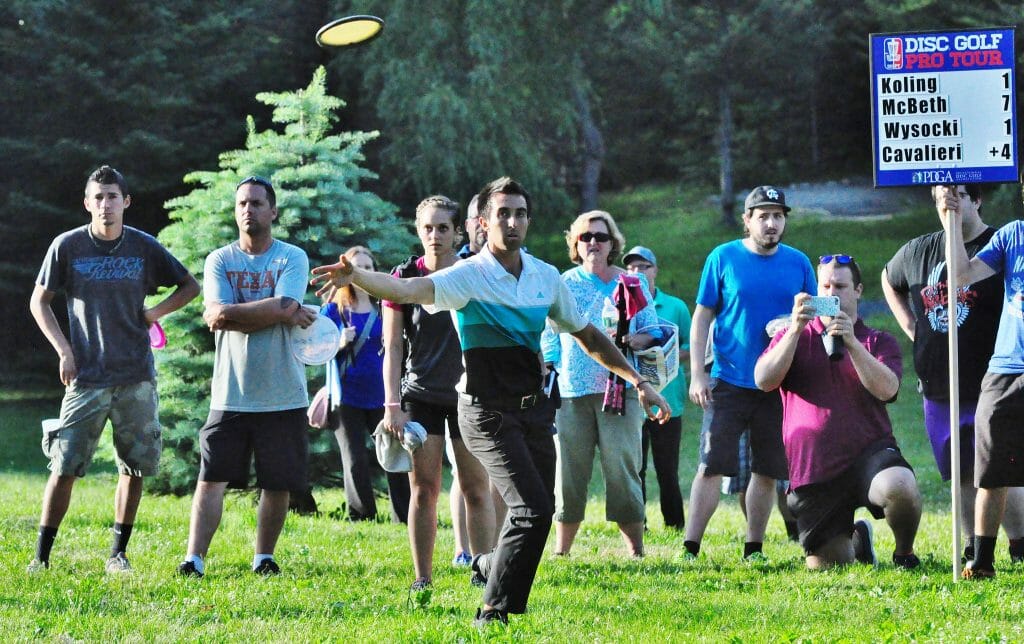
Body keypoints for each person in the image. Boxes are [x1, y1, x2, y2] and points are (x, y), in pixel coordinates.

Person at [312, 176, 670, 627]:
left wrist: (638, 380)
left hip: (533, 412)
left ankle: (486, 565)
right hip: (483, 412)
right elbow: (406, 291)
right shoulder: (469, 275)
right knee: (531, 509)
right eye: (503, 213)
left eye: (520, 213)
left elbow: (590, 336)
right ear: (483, 223)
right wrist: (357, 276)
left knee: (538, 516)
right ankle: (492, 613)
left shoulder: (544, 278)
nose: (512, 221)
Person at [28, 165, 199, 573]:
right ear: (87, 203)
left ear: (126, 201)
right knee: (64, 467)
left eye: (112, 197)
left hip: (136, 376)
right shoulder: (67, 246)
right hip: (86, 377)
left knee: (135, 467)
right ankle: (41, 557)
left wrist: (154, 312)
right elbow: (40, 302)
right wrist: (64, 350)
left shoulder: (143, 247)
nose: (106, 205)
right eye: (98, 198)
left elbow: (190, 286)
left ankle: (118, 554)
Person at [177, 176, 317, 578]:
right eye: (242, 203)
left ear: (273, 211)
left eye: (257, 203)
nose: (247, 210)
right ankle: (194, 558)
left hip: (283, 393)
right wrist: (275, 310)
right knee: (211, 477)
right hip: (230, 393)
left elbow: (276, 306)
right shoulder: (220, 259)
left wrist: (236, 314)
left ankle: (264, 558)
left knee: (277, 482)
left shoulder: (291, 257)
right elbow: (219, 314)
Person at [882, 184, 1024, 564]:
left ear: (977, 199)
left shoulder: (1000, 242)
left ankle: (1018, 543)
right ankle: (972, 546)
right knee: (961, 471)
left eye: (961, 194)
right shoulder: (919, 250)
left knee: (997, 468)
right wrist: (912, 328)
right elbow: (888, 279)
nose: (952, 202)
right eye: (945, 196)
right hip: (939, 384)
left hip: (991, 376)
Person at [755, 254, 923, 569]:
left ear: (858, 290)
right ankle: (857, 540)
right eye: (825, 285)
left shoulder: (877, 340)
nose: (832, 294)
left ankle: (904, 553)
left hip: (869, 453)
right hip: (814, 468)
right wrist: (793, 330)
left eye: (841, 286)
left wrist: (852, 343)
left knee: (899, 486)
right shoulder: (791, 336)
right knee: (827, 567)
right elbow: (763, 380)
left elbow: (887, 389)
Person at [685, 185, 816, 562]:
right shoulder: (723, 257)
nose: (772, 224)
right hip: (728, 378)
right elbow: (702, 316)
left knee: (768, 469)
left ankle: (753, 548)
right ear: (747, 221)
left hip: (779, 383)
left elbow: (815, 316)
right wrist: (697, 373)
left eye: (778, 216)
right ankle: (691, 547)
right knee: (711, 464)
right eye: (763, 217)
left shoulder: (798, 263)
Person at [381, 195, 494, 589]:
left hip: (469, 395)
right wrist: (392, 404)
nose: (435, 235)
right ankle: (422, 577)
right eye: (427, 227)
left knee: (475, 488)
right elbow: (393, 346)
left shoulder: (473, 273)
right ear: (418, 230)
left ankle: (484, 572)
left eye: (443, 228)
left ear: (457, 231)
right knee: (423, 490)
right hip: (420, 396)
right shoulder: (402, 276)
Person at [543, 212, 658, 558]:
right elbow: (549, 334)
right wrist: (550, 366)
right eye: (585, 237)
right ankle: (562, 551)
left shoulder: (631, 283)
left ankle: (636, 550)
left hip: (621, 390)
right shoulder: (564, 282)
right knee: (569, 474)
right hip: (572, 393)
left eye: (600, 237)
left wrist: (631, 340)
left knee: (623, 470)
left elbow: (652, 329)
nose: (593, 243)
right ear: (575, 245)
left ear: (612, 244)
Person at [938, 179, 1024, 579]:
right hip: (1006, 368)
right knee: (989, 467)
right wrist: (951, 220)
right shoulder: (1012, 235)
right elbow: (960, 275)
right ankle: (982, 561)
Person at [323, 246, 409, 524]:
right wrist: (338, 342)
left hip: (383, 396)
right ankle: (361, 515)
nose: (362, 272)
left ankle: (404, 516)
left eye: (368, 268)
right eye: (356, 266)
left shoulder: (385, 308)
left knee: (394, 455)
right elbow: (313, 346)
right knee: (355, 459)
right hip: (346, 396)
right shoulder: (334, 309)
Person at [623, 245, 692, 530]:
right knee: (635, 468)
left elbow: (692, 345)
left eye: (645, 267)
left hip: (668, 399)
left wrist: (666, 353)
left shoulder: (675, 306)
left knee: (667, 469)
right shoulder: (620, 305)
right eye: (632, 267)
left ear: (655, 271)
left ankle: (675, 525)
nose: (638, 272)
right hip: (632, 398)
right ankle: (639, 523)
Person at [457, 194, 487, 259]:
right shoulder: (453, 265)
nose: (483, 223)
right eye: (477, 217)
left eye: (487, 218)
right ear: (467, 225)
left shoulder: (510, 265)